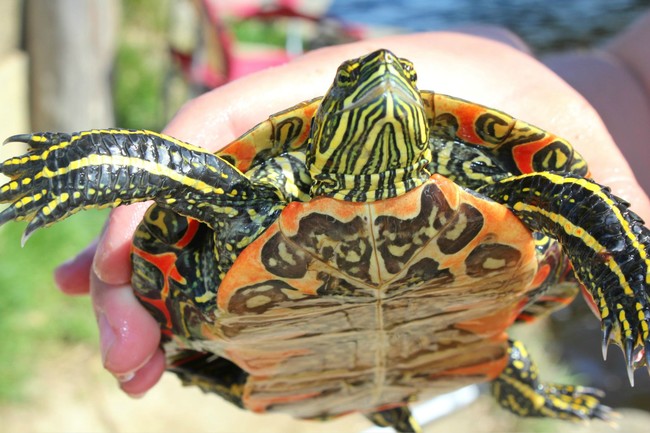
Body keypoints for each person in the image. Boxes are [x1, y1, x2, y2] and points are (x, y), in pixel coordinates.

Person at [53, 24, 650, 398]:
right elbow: (174, 175)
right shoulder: (269, 185)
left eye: (404, 80)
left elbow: (573, 198)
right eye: (356, 77)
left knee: (575, 212)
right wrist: (76, 170)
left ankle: (517, 393)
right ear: (333, 106)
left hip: (449, 339)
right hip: (265, 353)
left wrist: (625, 257)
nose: (387, 75)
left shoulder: (472, 169)